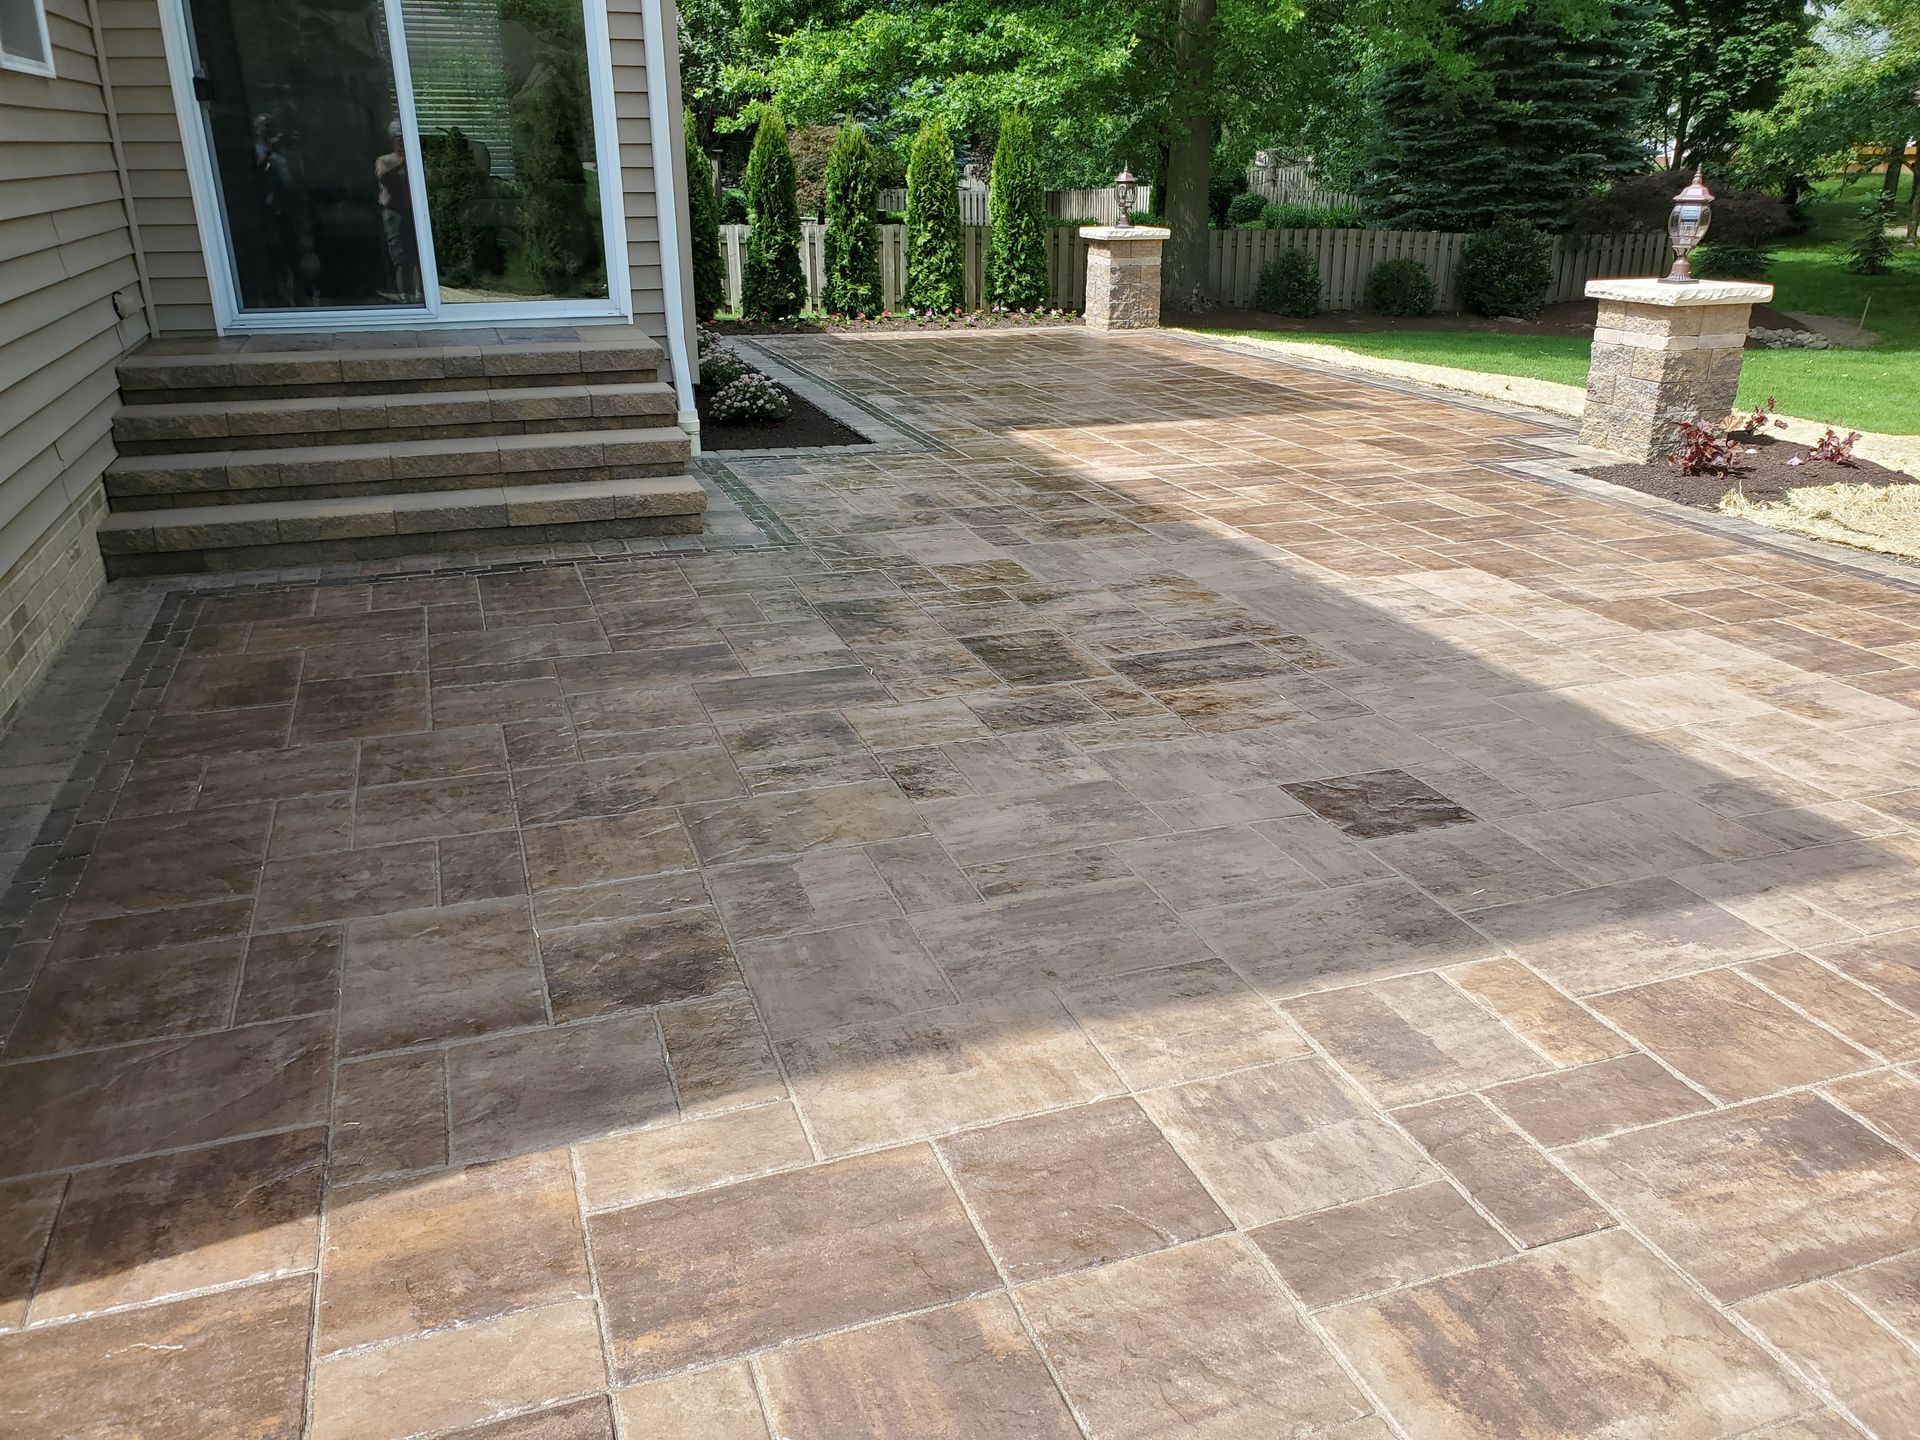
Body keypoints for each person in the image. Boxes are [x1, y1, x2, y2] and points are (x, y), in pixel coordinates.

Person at [376, 121, 421, 303]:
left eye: (405, 139)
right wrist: (402, 162)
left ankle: (420, 294)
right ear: (392, 140)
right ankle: (404, 295)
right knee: (401, 256)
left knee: (419, 254)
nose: (402, 142)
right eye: (399, 139)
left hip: (414, 212)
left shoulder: (415, 159)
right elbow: (382, 177)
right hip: (394, 213)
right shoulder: (384, 160)